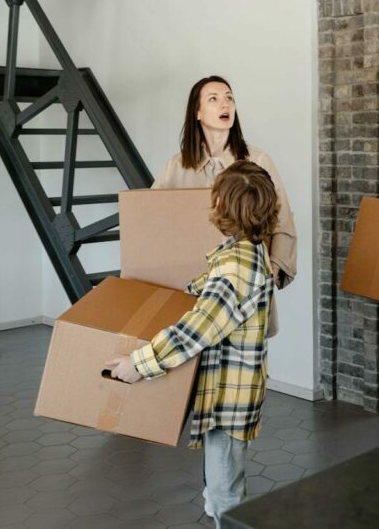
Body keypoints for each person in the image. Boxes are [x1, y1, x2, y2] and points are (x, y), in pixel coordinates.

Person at [106, 160, 279, 527]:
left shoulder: (234, 271)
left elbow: (196, 330)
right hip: (234, 391)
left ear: (223, 208)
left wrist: (139, 365)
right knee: (220, 480)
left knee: (224, 493)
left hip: (229, 400)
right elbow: (210, 293)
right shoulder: (246, 252)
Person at [154, 76, 296, 328]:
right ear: (197, 112)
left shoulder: (259, 161)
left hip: (245, 284)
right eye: (214, 99)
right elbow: (150, 218)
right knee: (195, 357)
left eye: (229, 98)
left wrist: (275, 266)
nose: (225, 104)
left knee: (244, 358)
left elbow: (282, 218)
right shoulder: (175, 167)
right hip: (192, 284)